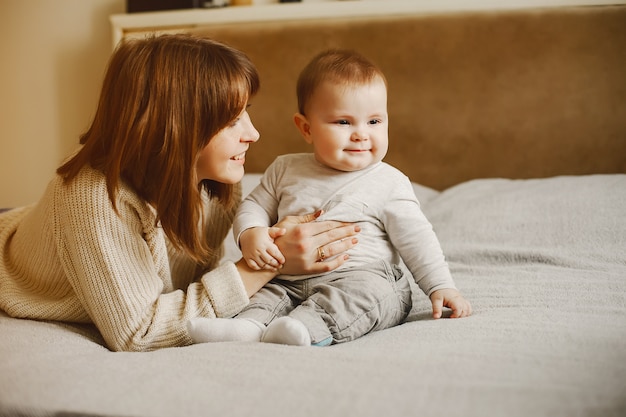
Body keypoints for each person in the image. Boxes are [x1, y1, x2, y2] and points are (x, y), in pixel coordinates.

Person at [0, 35, 360, 352]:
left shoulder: (218, 184)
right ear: (174, 125)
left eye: (245, 113)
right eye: (231, 120)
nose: (253, 134)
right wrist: (269, 263)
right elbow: (138, 332)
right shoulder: (91, 198)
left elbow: (190, 285)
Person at [187, 49, 472, 347]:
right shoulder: (285, 168)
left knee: (373, 294)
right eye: (344, 122)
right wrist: (251, 233)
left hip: (362, 274)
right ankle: (248, 326)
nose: (361, 134)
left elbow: (417, 238)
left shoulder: (389, 182)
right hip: (286, 277)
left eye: (374, 122)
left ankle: (306, 329)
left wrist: (441, 286)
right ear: (306, 128)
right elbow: (254, 205)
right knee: (263, 294)